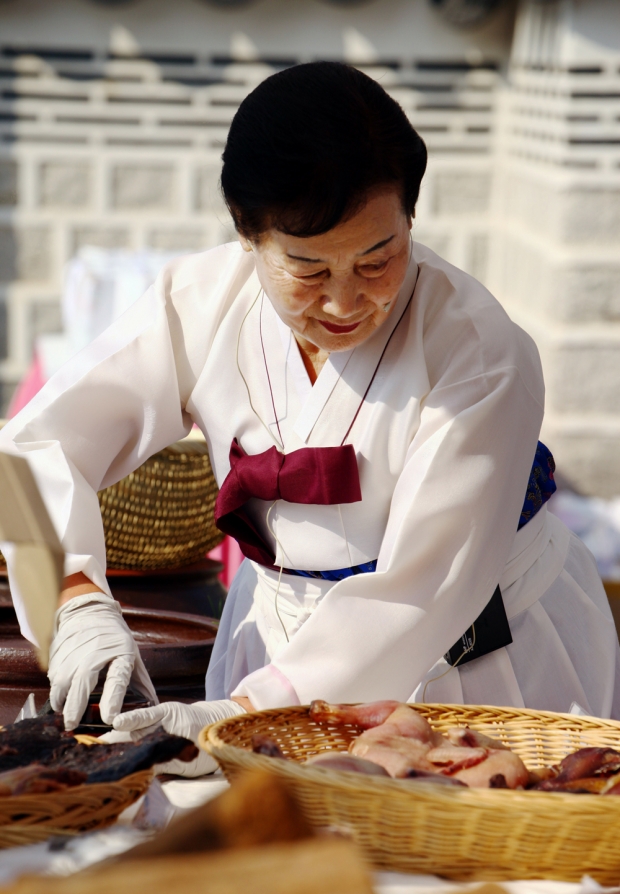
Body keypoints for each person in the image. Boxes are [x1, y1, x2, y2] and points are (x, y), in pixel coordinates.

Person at [1, 63, 618, 777]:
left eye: (379, 258)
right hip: (277, 639)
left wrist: (244, 716)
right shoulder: (200, 305)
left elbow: (427, 585)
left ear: (410, 219)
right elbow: (29, 453)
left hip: (481, 659)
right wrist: (71, 600)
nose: (345, 301)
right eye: (308, 268)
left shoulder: (478, 351)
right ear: (246, 232)